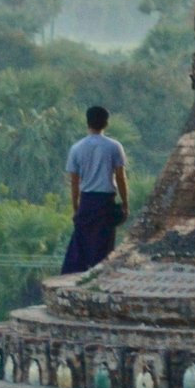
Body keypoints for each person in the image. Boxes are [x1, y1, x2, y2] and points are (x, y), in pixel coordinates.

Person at [60, 105, 128, 275]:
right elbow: (120, 177)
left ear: (87, 122)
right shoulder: (114, 146)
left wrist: (76, 207)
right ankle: (99, 277)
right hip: (106, 201)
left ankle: (76, 278)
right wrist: (125, 203)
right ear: (106, 123)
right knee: (104, 244)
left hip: (87, 200)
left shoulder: (77, 148)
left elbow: (75, 182)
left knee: (81, 244)